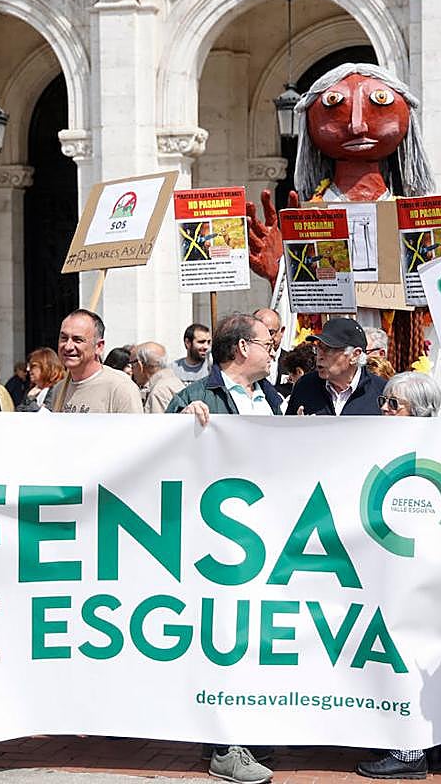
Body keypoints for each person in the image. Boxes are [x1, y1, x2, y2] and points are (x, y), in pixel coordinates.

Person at [166, 312, 279, 784]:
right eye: (265, 341)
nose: (273, 348)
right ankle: (223, 744)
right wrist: (181, 425)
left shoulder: (271, 397)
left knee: (253, 634)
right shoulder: (193, 397)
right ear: (241, 349)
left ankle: (249, 724)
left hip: (266, 535)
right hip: (216, 539)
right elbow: (161, 460)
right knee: (221, 638)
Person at [358, 371, 441, 779]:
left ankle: (410, 753)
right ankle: (425, 744)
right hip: (389, 571)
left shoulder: (440, 451)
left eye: (395, 404)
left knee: (409, 655)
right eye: (385, 402)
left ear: (421, 413)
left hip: (420, 574)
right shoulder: (384, 444)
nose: (385, 409)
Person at [45, 310, 143, 414]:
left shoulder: (120, 388)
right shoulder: (59, 389)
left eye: (78, 340)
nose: (68, 346)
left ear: (99, 347)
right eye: (64, 338)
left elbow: (133, 429)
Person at [286, 317, 386, 416]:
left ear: (355, 355)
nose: (319, 356)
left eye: (328, 349)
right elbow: (286, 429)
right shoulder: (305, 385)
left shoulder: (380, 391)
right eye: (318, 348)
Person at [131, 342, 185, 413]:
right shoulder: (175, 382)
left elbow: (158, 423)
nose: (131, 371)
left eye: (132, 365)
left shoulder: (158, 392)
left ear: (139, 365)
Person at [19, 348, 63, 412]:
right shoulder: (32, 389)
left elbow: (44, 415)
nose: (28, 369)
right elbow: (19, 410)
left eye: (33, 366)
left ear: (46, 367)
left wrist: (30, 399)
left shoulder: (57, 389)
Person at [253, 308, 285, 385]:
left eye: (271, 332)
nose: (266, 339)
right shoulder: (244, 363)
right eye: (259, 333)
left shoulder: (292, 362)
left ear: (281, 331)